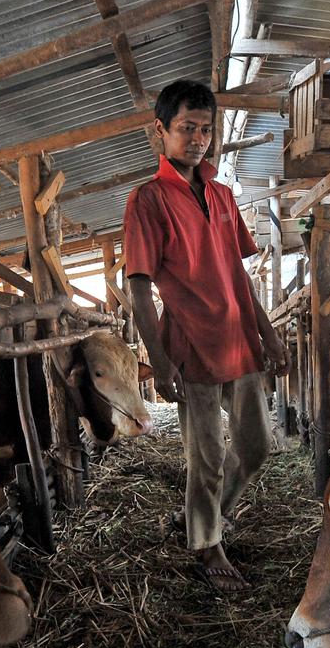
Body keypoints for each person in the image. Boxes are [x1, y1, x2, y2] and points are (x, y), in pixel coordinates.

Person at [123, 79, 289, 593]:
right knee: (208, 455)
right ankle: (208, 544)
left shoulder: (220, 194)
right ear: (161, 132)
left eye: (205, 130)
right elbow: (139, 284)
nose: (197, 139)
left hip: (240, 338)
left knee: (257, 448)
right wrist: (157, 356)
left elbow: (239, 275)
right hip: (191, 342)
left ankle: (207, 516)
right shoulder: (148, 200)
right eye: (186, 129)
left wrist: (270, 333)